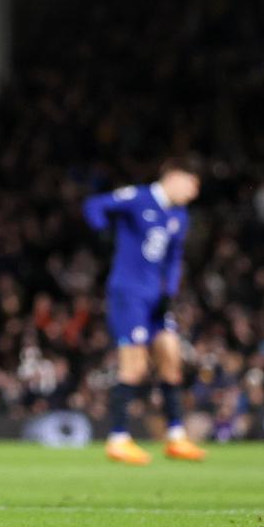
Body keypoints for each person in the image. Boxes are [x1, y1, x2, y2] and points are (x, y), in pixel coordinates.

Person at [83, 158, 207, 465]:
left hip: (156, 298)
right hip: (129, 293)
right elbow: (94, 205)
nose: (192, 195)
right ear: (175, 177)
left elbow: (174, 258)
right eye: (191, 186)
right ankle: (118, 438)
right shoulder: (138, 198)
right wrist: (103, 233)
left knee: (170, 357)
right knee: (133, 367)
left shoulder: (179, 215)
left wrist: (170, 292)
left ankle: (176, 436)